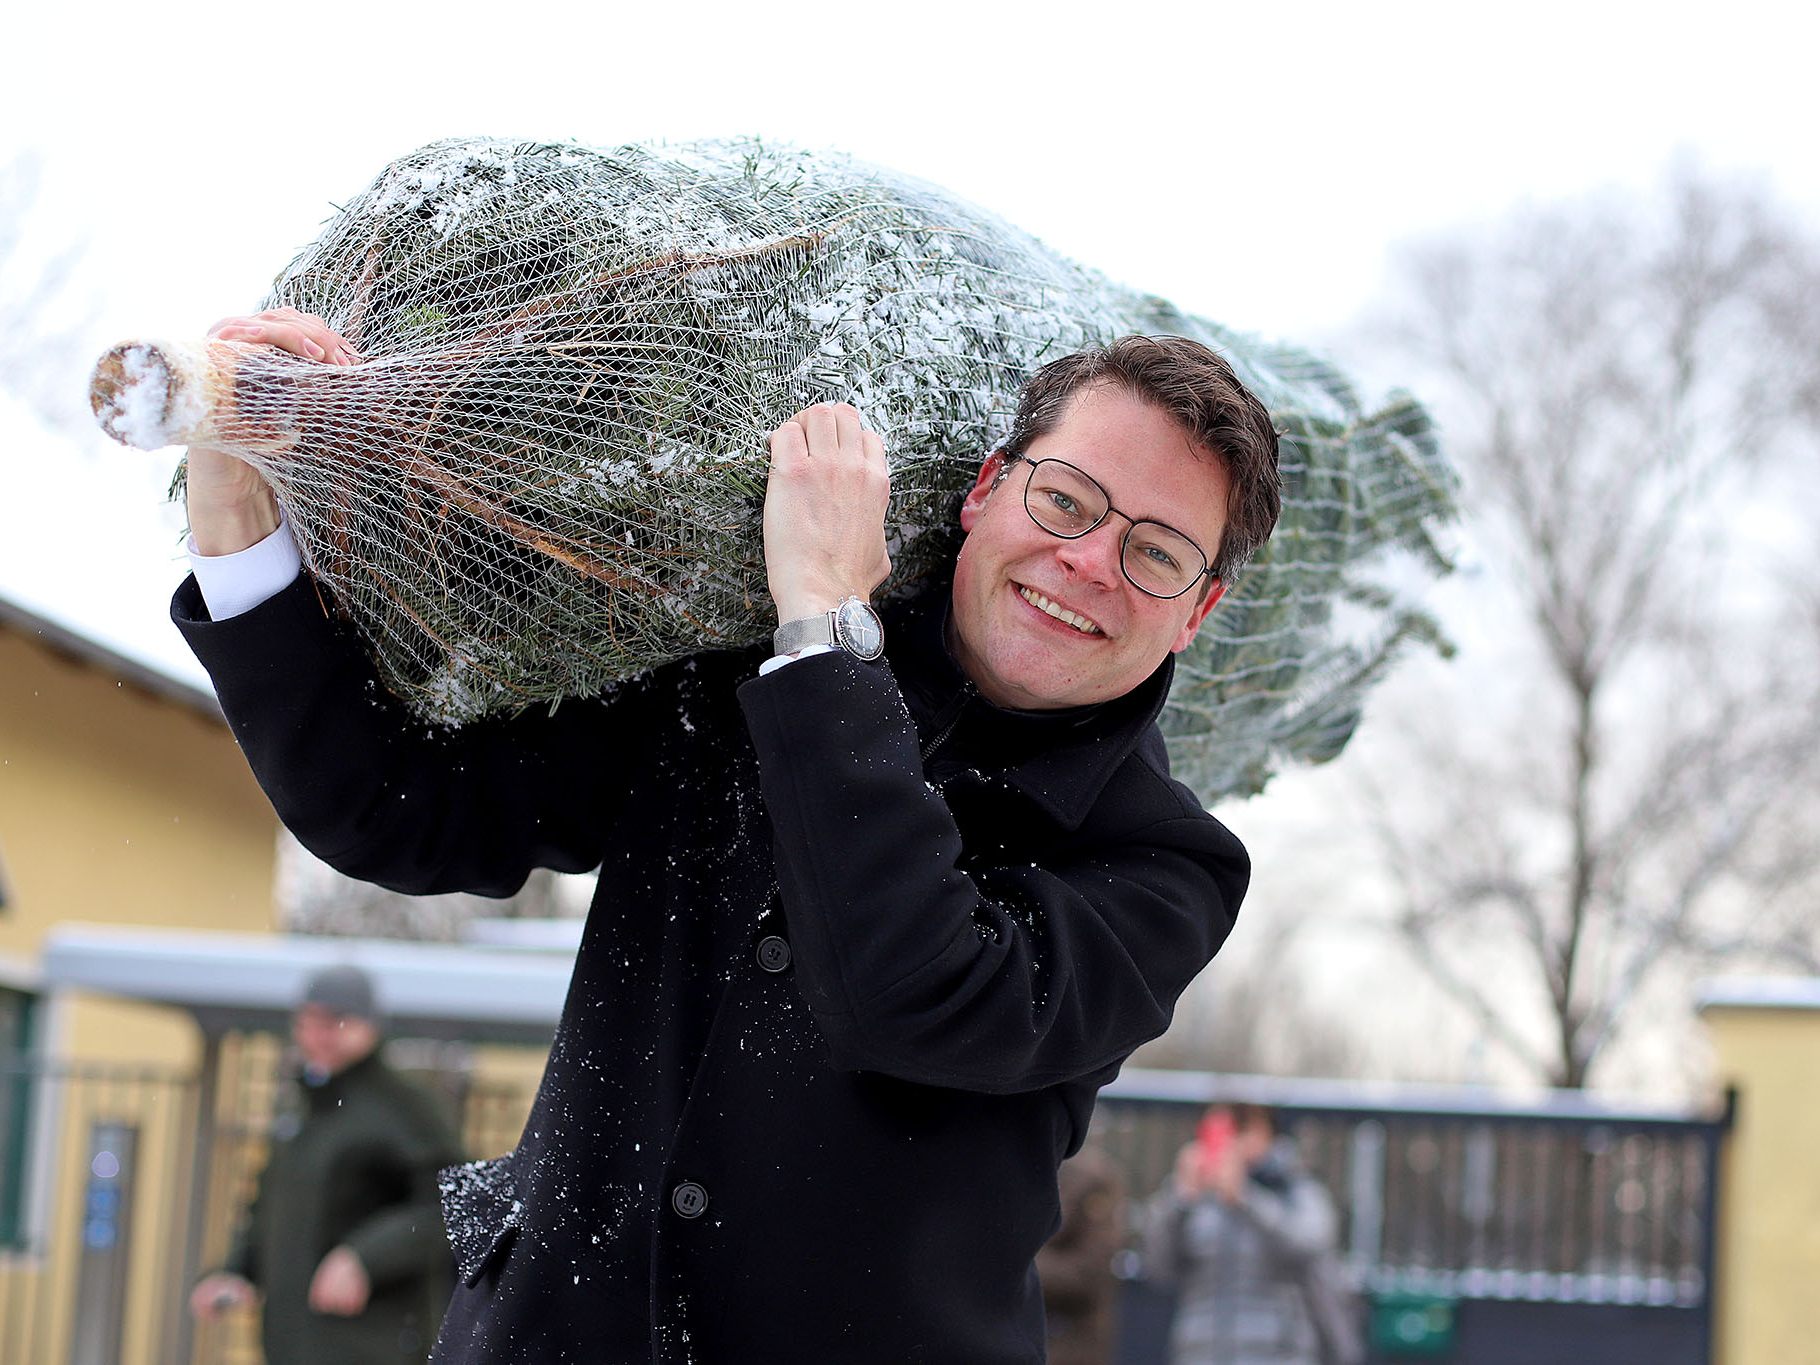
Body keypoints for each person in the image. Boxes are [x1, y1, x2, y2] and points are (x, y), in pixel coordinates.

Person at [174, 306, 1281, 1363]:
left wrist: (825, 633)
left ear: (1197, 610)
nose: (1090, 561)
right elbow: (406, 812)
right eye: (1067, 500)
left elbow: (911, 997)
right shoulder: (735, 656)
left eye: (1155, 553)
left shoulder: (1161, 865)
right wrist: (238, 530)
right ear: (984, 490)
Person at [189, 964, 466, 1365]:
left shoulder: (405, 1108)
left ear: (370, 1027)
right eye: (308, 1021)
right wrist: (236, 1270)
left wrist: (365, 1257)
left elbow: (448, 1202)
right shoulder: (304, 1111)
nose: (318, 1035)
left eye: (335, 1021)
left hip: (372, 1346)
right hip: (294, 1344)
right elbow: (268, 1209)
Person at [1142, 1103, 1361, 1365]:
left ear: (1266, 1134)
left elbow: (1312, 1246)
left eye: (1238, 1131)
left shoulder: (1294, 1188)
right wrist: (1180, 1199)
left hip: (1278, 1353)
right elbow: (1158, 1267)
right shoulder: (1194, 1195)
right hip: (1199, 1352)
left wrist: (1246, 1199)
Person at [1036, 1140, 1128, 1365]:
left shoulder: (1092, 1179)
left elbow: (1087, 1275)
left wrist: (1019, 1264)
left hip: (1071, 1345)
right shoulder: (1019, 1168)